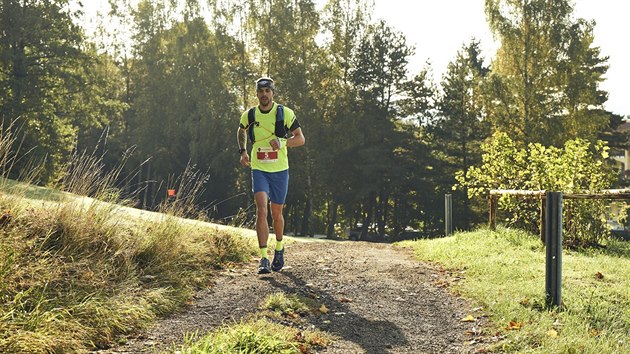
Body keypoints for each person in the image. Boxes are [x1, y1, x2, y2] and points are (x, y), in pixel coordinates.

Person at [237, 77, 305, 274]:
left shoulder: (284, 113)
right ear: (257, 93)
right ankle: (264, 258)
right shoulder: (249, 115)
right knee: (261, 209)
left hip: (280, 170)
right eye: (261, 91)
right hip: (259, 169)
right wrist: (242, 151)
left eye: (267, 91)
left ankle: (279, 248)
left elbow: (300, 138)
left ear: (272, 93)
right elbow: (241, 130)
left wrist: (283, 142)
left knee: (276, 214)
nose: (264, 95)